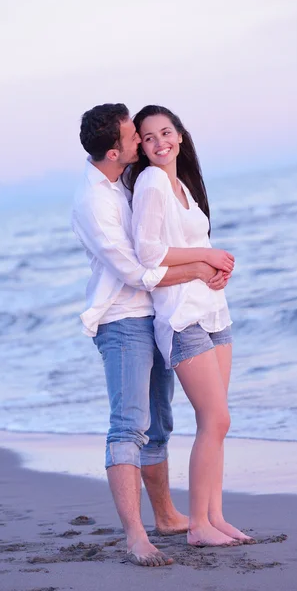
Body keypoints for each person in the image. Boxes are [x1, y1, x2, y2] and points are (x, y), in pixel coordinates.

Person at [71, 103, 230, 566]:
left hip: (157, 311)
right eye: (133, 136)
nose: (142, 142)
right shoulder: (94, 203)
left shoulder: (126, 179)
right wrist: (201, 266)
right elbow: (139, 269)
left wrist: (205, 268)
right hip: (123, 318)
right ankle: (136, 535)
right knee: (129, 425)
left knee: (160, 423)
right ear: (114, 151)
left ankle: (165, 516)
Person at [128, 105, 255, 547]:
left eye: (166, 132)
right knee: (214, 417)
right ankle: (198, 527)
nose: (160, 141)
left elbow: (190, 244)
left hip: (213, 309)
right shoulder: (150, 183)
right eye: (149, 137)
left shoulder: (180, 184)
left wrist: (214, 265)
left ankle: (214, 517)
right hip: (182, 316)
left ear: (180, 136)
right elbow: (149, 253)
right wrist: (206, 259)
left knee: (219, 422)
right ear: (141, 148)